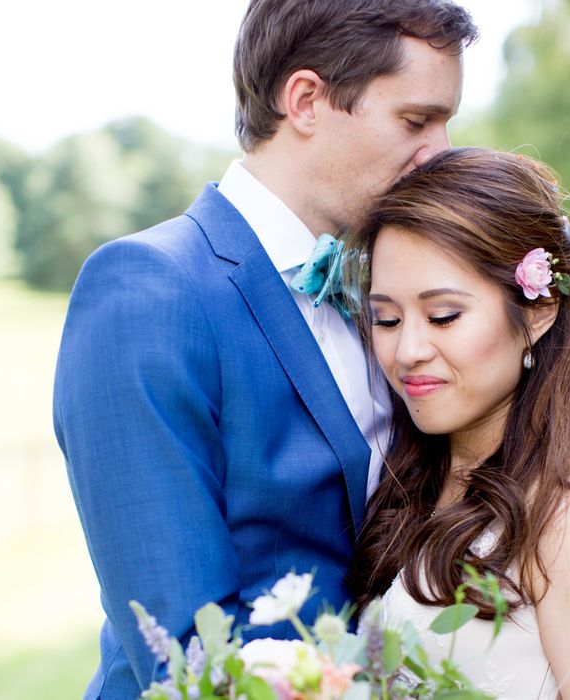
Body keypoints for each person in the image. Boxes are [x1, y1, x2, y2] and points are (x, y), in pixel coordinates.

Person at [53, 1, 477, 697]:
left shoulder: (390, 294)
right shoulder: (148, 289)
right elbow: (185, 648)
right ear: (306, 100)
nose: (441, 149)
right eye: (416, 120)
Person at [347, 148, 570, 698]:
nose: (408, 350)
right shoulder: (412, 471)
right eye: (386, 318)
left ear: (537, 312)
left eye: (443, 316)